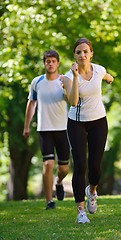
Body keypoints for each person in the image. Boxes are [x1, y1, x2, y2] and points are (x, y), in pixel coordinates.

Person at [62, 38, 114, 223]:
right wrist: (76, 77)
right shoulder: (68, 77)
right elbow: (74, 101)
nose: (82, 55)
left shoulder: (99, 69)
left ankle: (92, 191)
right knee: (80, 165)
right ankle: (80, 212)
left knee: (95, 167)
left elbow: (108, 76)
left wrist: (110, 80)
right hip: (77, 123)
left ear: (91, 53)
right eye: (78, 52)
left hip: (99, 121)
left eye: (86, 51)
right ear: (74, 56)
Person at [23, 50, 70, 210]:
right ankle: (49, 200)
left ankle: (59, 182)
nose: (50, 64)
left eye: (53, 61)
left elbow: (74, 99)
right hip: (45, 130)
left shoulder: (64, 81)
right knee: (48, 164)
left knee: (64, 168)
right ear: (44, 63)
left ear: (58, 63)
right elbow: (31, 104)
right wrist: (26, 126)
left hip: (63, 129)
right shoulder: (37, 82)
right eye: (47, 61)